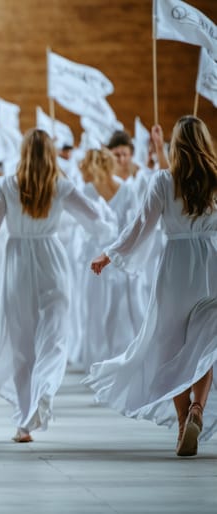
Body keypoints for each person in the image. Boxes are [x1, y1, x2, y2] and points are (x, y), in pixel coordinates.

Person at [0, 129, 111, 443]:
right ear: (50, 154)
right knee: (54, 339)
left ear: (22, 153)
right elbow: (96, 217)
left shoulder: (6, 185)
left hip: (18, 265)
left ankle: (24, 422)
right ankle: (44, 393)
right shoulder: (61, 186)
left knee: (22, 347)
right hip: (52, 262)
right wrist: (112, 245)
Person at [85, 117, 217, 458]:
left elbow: (141, 225)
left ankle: (179, 423)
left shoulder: (164, 181)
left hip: (175, 267)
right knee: (203, 345)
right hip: (211, 263)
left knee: (171, 347)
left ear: (177, 144)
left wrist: (109, 255)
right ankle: (197, 411)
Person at [73, 149, 143, 371]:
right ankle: (117, 360)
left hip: (99, 256)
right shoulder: (127, 189)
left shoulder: (88, 191)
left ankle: (97, 363)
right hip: (118, 255)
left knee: (96, 310)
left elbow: (84, 228)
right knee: (116, 311)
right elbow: (133, 226)